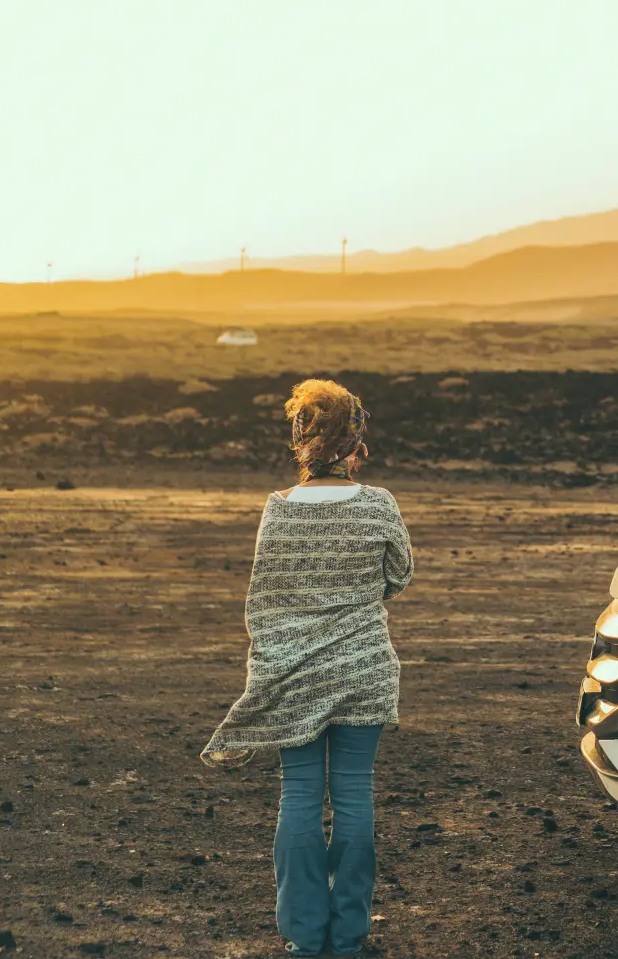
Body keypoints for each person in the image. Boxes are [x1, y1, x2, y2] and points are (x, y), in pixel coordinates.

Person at [202, 378, 413, 956]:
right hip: (364, 670)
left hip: (292, 674)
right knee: (352, 796)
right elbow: (398, 577)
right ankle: (349, 938)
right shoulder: (379, 505)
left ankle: (304, 937)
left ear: (301, 440)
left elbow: (264, 598)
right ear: (355, 440)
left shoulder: (277, 512)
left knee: (297, 795)